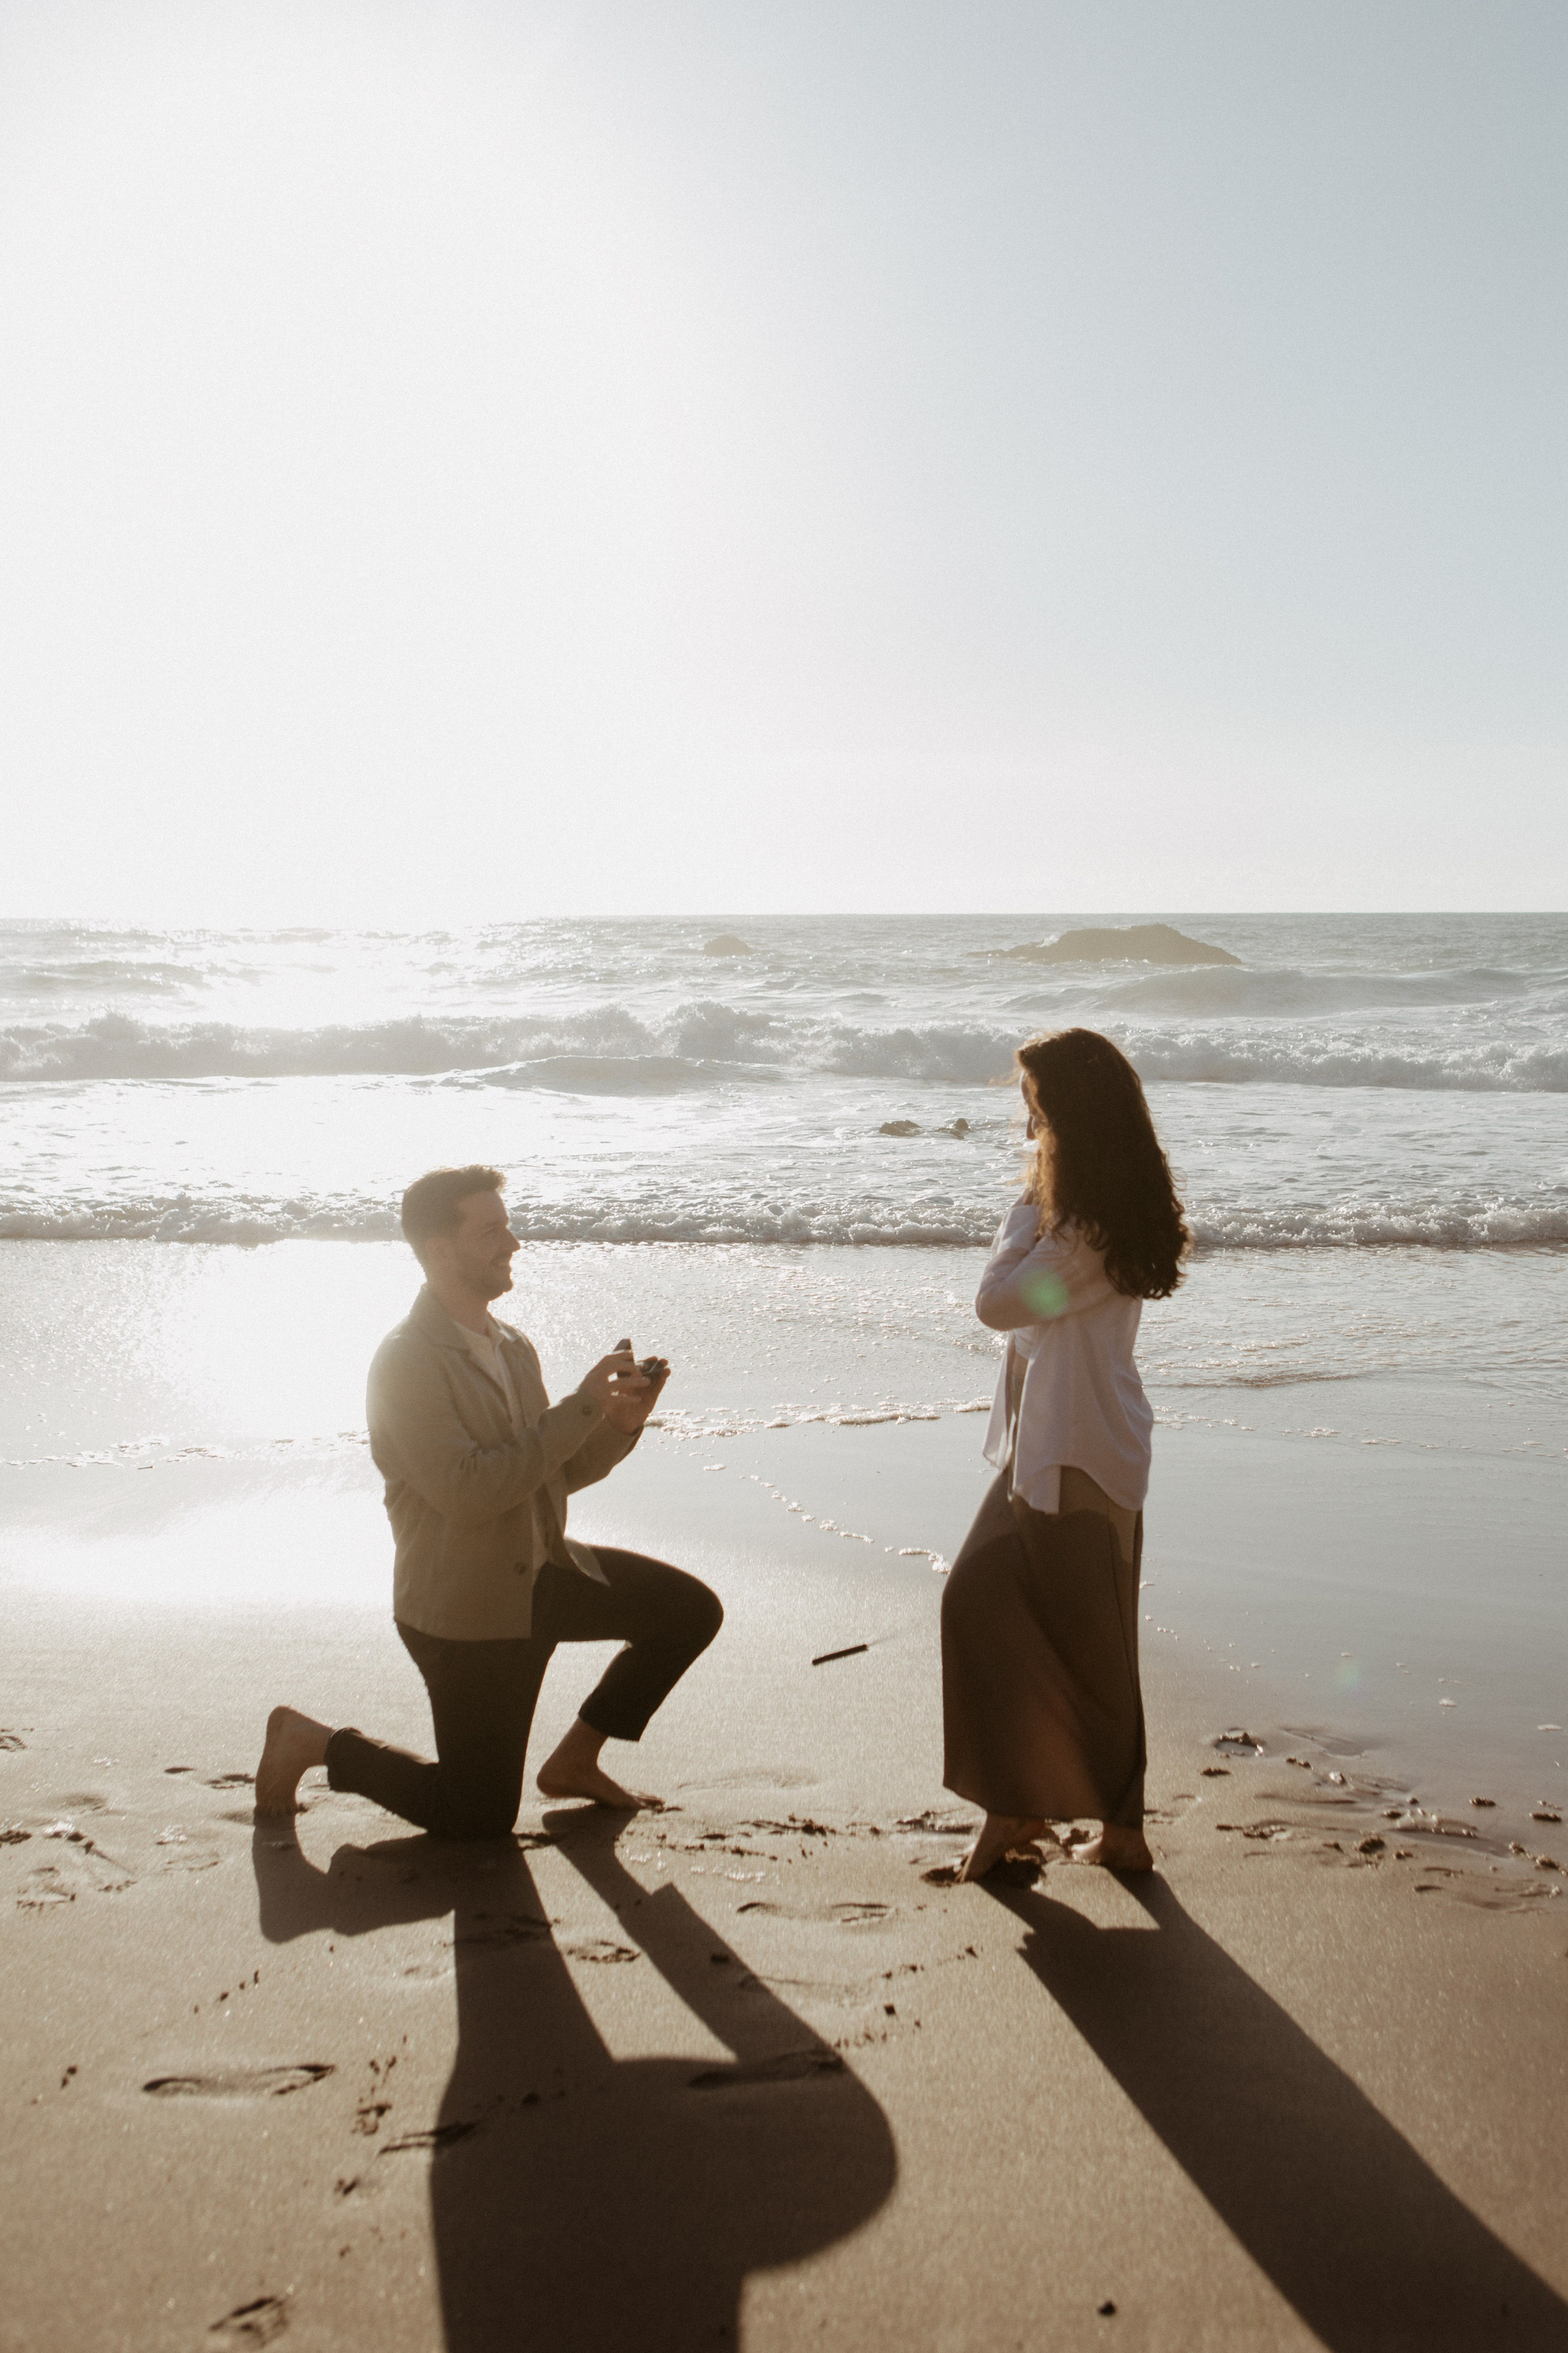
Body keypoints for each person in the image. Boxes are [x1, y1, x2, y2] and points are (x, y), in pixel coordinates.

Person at [255, 1165, 723, 1834]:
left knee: (688, 1612)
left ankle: (575, 1760)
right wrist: (583, 1405)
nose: (514, 1243)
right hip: (465, 1610)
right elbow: (470, 1493)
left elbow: (542, 1472)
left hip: (541, 1572)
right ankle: (315, 1743)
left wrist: (616, 1426)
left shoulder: (512, 1346)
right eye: (493, 1230)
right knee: (476, 1818)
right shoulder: (405, 1361)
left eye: (508, 1226)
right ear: (441, 1250)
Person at [941, 1030, 1188, 1881]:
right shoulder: (1083, 1217)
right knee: (980, 1601)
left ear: (1069, 1115)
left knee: (1094, 1647)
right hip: (1049, 1446)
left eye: (1038, 1104)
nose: (1028, 1119)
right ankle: (1021, 1803)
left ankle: (1118, 1829)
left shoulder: (1085, 1233)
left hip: (1080, 1451)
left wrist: (1021, 1217)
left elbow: (1000, 1305)